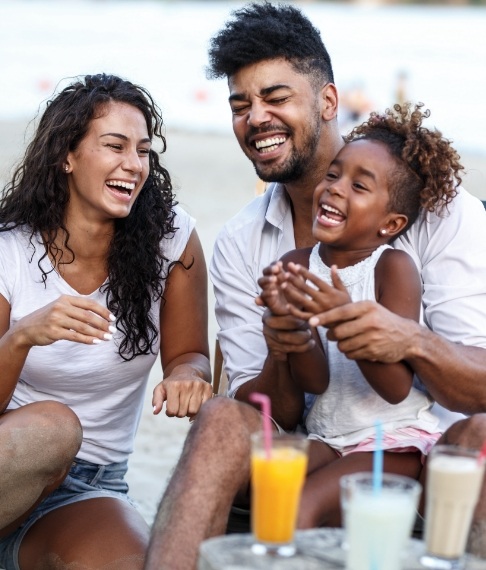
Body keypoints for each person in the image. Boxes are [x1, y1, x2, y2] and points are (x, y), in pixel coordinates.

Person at [145, 3, 486, 569]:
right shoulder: (244, 242)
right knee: (222, 418)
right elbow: (272, 408)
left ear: (329, 101)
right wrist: (286, 343)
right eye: (240, 105)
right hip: (321, 448)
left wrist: (402, 338)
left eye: (276, 98)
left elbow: (473, 386)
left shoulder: (438, 214)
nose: (256, 118)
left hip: (425, 446)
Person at [0, 73, 212, 570]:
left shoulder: (172, 240)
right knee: (54, 428)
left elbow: (189, 355)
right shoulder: (9, 249)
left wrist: (188, 376)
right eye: (114, 146)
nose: (133, 165)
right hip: (10, 462)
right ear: (66, 156)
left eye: (143, 150)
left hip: (86, 491)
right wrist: (21, 337)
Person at [256, 103, 461, 527]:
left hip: (392, 441)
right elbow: (315, 381)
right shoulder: (298, 262)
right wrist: (291, 327)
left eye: (359, 186)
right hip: (328, 435)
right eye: (333, 174)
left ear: (390, 224)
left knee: (299, 511)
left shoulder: (393, 269)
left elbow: (395, 387)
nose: (334, 188)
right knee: (267, 493)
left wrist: (342, 317)